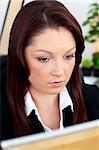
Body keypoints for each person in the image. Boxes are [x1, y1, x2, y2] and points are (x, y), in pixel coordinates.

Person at [0, 0, 99, 141]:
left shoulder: (93, 100)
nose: (59, 71)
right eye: (44, 59)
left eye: (68, 56)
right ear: (20, 56)